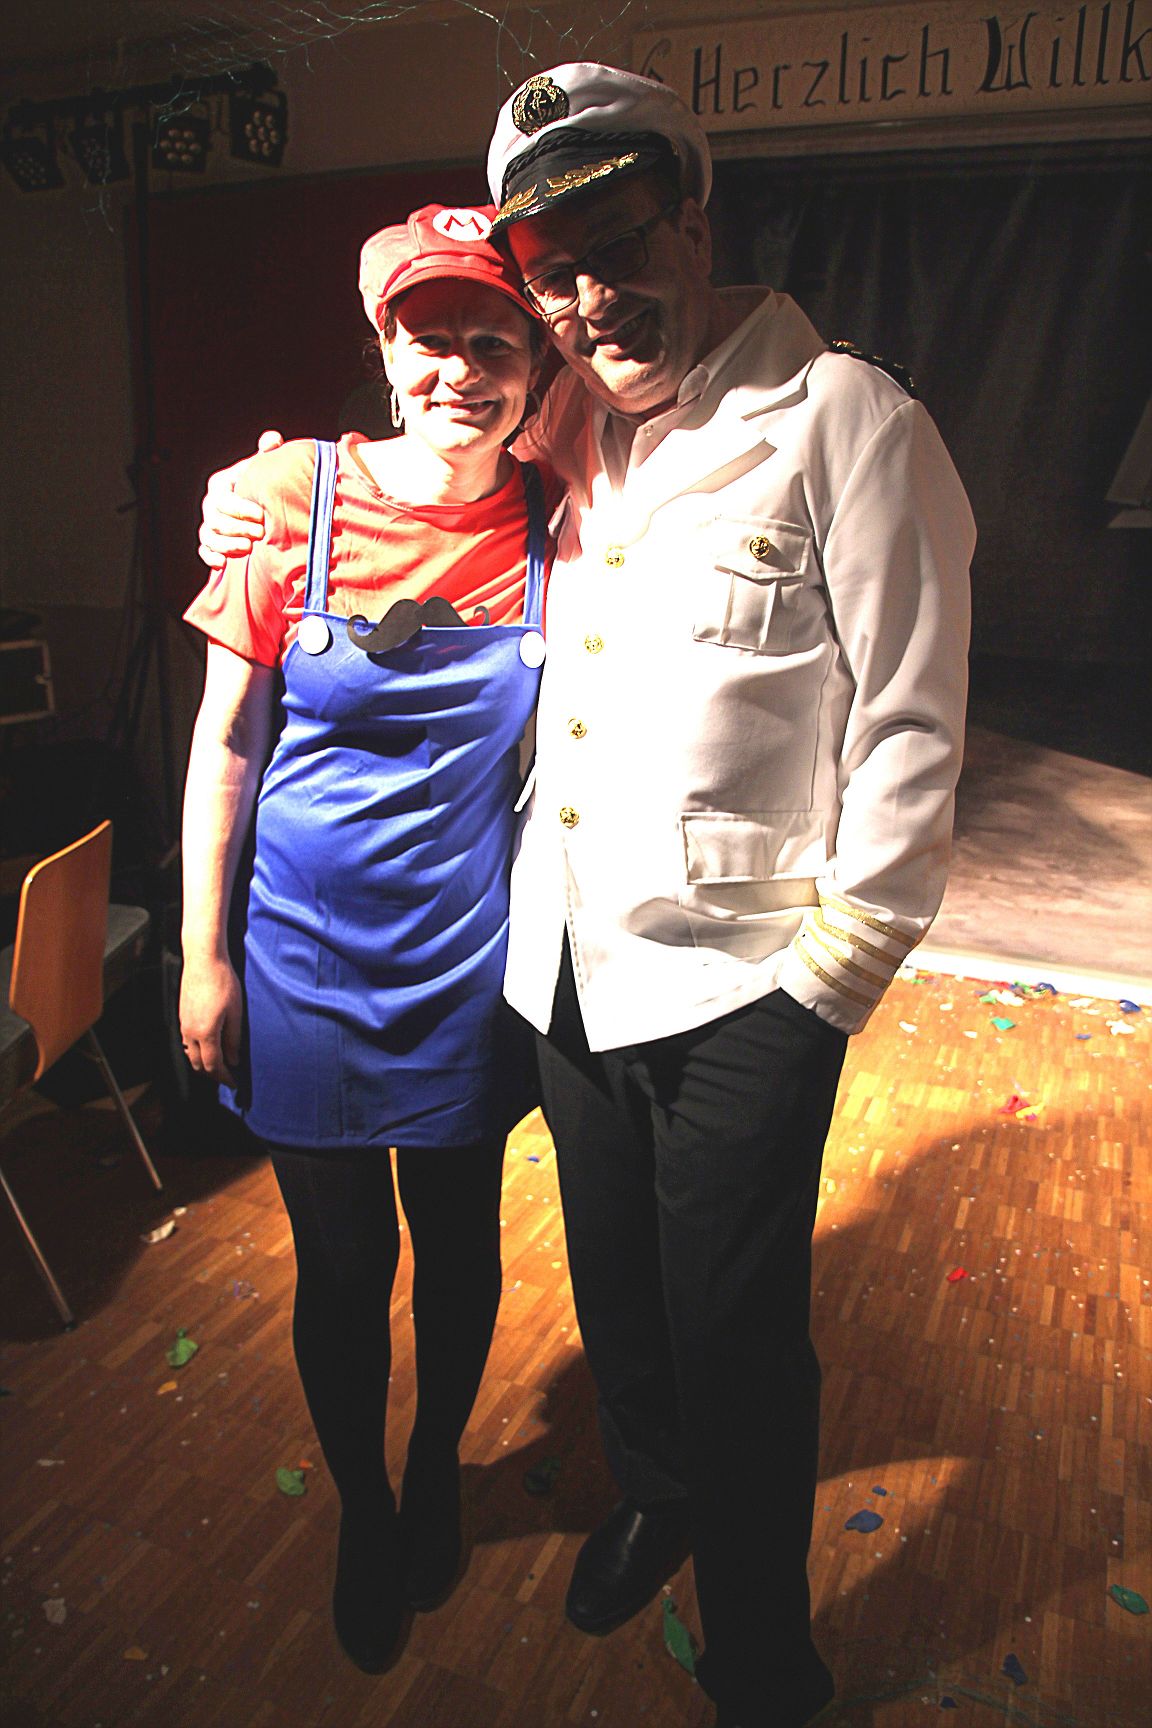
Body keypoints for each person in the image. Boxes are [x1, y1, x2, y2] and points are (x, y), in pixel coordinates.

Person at [198, 63, 974, 1728]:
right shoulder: (573, 421)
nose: (591, 301)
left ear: (695, 220)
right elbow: (414, 445)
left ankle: (761, 1654)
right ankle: (653, 1494)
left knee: (737, 1331)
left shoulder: (847, 419)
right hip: (560, 965)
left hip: (748, 981)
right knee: (619, 1296)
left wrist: (831, 980)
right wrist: (261, 481)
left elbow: (915, 726)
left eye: (621, 247)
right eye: (555, 276)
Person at [179, 202, 557, 1674]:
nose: (459, 370)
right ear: (383, 348)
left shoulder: (563, 511)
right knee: (341, 1269)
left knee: (457, 1248)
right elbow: (225, 745)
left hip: (468, 963)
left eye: (492, 342)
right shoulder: (290, 498)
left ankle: (433, 1470)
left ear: (535, 366)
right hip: (302, 964)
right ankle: (359, 1506)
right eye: (428, 337)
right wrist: (203, 956)